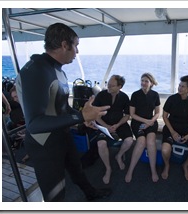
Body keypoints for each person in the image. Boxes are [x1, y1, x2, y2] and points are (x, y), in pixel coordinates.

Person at [15, 23, 111, 202]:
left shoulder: (57, 70)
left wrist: (83, 118)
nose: (77, 52)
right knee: (55, 195)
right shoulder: (36, 70)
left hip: (62, 134)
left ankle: (91, 194)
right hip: (44, 144)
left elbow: (63, 108)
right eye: (76, 46)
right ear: (65, 45)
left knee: (76, 169)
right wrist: (81, 116)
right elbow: (34, 124)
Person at [161, 75, 188, 181]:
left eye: (183, 86)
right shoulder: (172, 99)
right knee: (165, 150)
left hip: (187, 129)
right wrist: (173, 132)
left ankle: (186, 165)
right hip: (171, 127)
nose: (180, 88)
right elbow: (165, 117)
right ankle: (167, 165)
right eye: (179, 85)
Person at [93, 75, 134, 184]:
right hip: (103, 124)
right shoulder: (101, 95)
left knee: (129, 140)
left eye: (112, 85)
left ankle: (119, 155)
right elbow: (95, 114)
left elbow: (127, 115)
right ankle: (108, 168)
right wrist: (106, 126)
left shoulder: (124, 97)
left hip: (119, 124)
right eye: (108, 84)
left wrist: (118, 125)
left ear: (119, 87)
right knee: (101, 144)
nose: (108, 87)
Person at [125, 73, 160, 183]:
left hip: (151, 122)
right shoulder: (135, 95)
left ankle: (153, 170)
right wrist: (146, 121)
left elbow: (158, 112)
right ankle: (130, 170)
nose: (143, 83)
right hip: (138, 123)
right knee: (141, 142)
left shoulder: (155, 95)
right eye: (142, 80)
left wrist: (150, 122)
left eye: (146, 81)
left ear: (151, 83)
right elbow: (132, 114)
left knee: (150, 142)